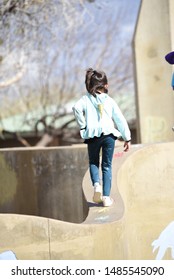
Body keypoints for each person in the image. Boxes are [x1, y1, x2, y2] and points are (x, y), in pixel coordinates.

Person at [73, 68, 131, 207]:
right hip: (109, 136)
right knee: (107, 166)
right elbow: (120, 120)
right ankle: (106, 198)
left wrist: (83, 126)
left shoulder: (85, 99)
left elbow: (76, 108)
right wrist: (127, 137)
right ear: (106, 85)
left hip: (92, 135)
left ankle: (97, 186)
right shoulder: (110, 101)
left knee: (93, 162)